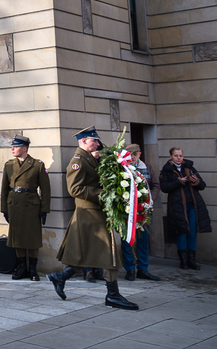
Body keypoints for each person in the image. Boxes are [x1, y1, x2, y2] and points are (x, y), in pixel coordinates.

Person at [47, 126, 138, 310]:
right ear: (83, 141)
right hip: (89, 213)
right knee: (109, 251)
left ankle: (61, 276)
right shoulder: (78, 161)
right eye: (94, 140)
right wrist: (104, 193)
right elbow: (75, 189)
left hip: (95, 213)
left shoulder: (91, 158)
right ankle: (112, 295)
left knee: (91, 253)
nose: (97, 144)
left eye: (97, 140)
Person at [0, 135, 51, 282]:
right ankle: (22, 267)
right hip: (14, 205)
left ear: (24, 148)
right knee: (17, 237)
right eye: (12, 146)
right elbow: (4, 188)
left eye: (15, 147)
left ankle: (33, 268)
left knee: (33, 237)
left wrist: (44, 209)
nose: (12, 149)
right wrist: (4, 208)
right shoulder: (9, 165)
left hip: (32, 206)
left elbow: (46, 190)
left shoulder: (37, 165)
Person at [160, 146, 210, 271]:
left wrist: (196, 181)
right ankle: (183, 262)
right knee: (181, 231)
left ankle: (192, 261)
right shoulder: (167, 170)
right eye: (176, 156)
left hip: (192, 205)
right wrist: (178, 181)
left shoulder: (190, 167)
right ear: (171, 156)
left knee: (192, 232)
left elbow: (202, 185)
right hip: (177, 207)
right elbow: (164, 187)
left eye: (180, 156)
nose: (178, 158)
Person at [120, 144, 161, 281]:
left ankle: (143, 269)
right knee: (127, 240)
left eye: (135, 154)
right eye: (129, 154)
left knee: (143, 240)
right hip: (128, 211)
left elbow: (155, 185)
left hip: (144, 210)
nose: (132, 157)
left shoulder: (147, 167)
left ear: (140, 154)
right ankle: (130, 269)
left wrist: (150, 200)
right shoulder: (121, 167)